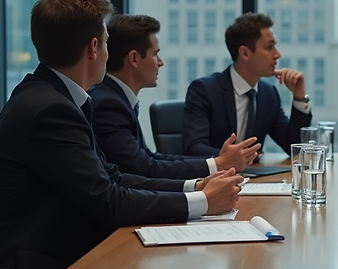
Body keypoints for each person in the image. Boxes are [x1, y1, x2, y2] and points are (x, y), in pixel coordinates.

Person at [0, 0, 245, 269]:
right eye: (108, 41)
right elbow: (108, 201)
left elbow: (110, 176)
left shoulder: (57, 97)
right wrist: (202, 202)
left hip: (56, 253)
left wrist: (195, 187)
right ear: (94, 47)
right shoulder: (50, 109)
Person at [89, 13, 260, 177]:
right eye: (155, 54)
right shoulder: (109, 104)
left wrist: (217, 162)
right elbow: (143, 168)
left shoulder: (116, 97)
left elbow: (149, 158)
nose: (161, 62)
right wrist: (218, 164)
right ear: (134, 58)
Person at [183, 12, 311, 156]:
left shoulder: (269, 94)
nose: (277, 54)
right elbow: (194, 148)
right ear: (244, 53)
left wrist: (299, 97)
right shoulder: (205, 90)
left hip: (254, 176)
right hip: (213, 177)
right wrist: (233, 158)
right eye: (269, 47)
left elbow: (293, 147)